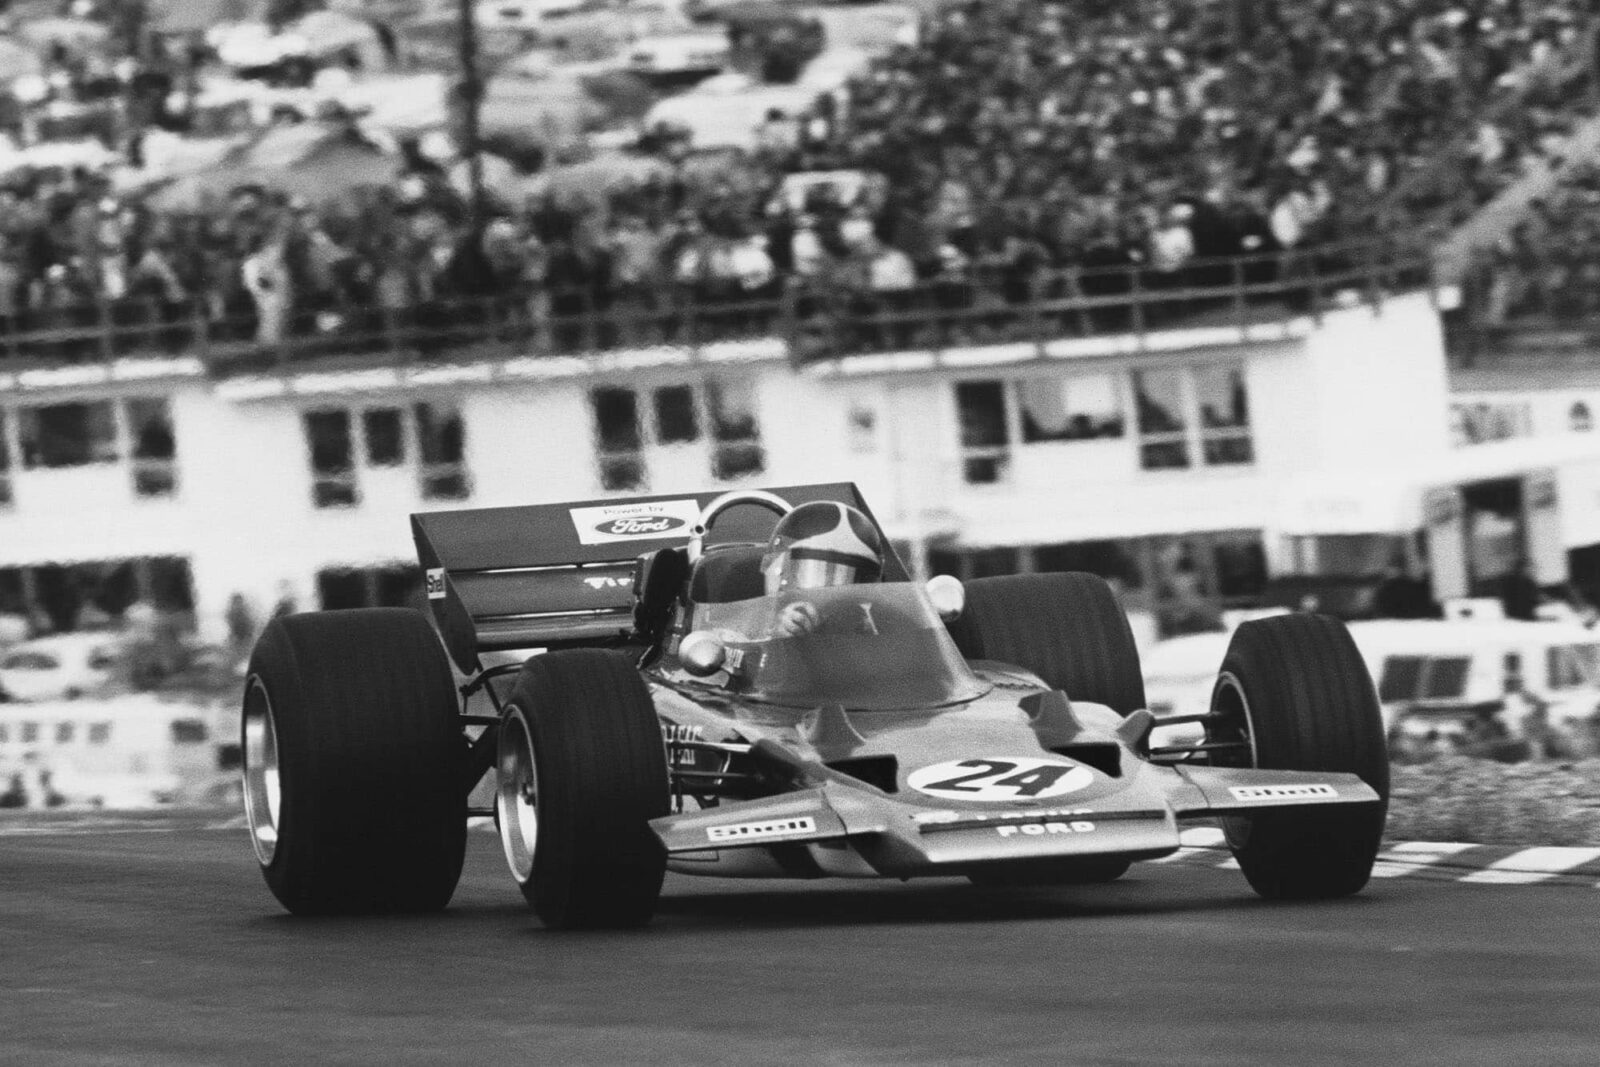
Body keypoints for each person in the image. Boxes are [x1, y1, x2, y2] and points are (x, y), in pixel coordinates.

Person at [759, 501, 885, 636]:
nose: (832, 594)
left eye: (848, 579)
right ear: (776, 568)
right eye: (819, 571)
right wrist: (775, 638)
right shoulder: (742, 629)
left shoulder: (882, 635)